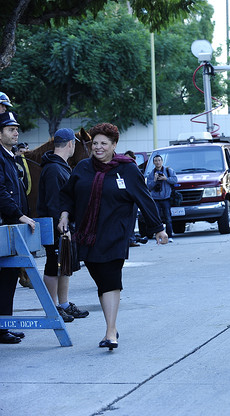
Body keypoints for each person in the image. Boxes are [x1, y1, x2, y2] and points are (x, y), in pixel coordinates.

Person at [59, 122, 168, 350]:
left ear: (114, 145)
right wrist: (64, 214)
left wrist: (158, 227)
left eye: (104, 143)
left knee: (110, 279)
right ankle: (111, 326)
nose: (98, 147)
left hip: (115, 234)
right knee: (101, 281)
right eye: (95, 143)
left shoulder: (127, 169)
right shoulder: (83, 168)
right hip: (88, 236)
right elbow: (68, 195)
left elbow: (144, 198)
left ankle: (110, 331)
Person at [38, 128, 89, 323]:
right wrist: (61, 226)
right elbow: (53, 203)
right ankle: (53, 308)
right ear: (70, 144)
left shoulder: (61, 166)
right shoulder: (53, 168)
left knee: (64, 265)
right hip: (55, 226)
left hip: (63, 225)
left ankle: (64, 304)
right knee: (53, 265)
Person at [0, 111, 37, 344]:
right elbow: (1, 192)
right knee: (4, 278)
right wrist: (19, 215)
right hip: (6, 224)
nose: (16, 133)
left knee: (9, 277)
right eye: (11, 129)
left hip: (12, 225)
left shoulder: (10, 156)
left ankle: (4, 325)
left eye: (16, 129)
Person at [146, 154, 177, 240]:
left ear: (162, 161)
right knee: (157, 219)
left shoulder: (168, 171)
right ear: (153, 162)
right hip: (156, 199)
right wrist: (154, 180)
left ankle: (169, 236)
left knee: (168, 218)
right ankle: (159, 235)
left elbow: (175, 180)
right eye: (156, 161)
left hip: (166, 198)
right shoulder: (151, 174)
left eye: (159, 160)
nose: (158, 162)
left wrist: (166, 179)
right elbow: (148, 187)